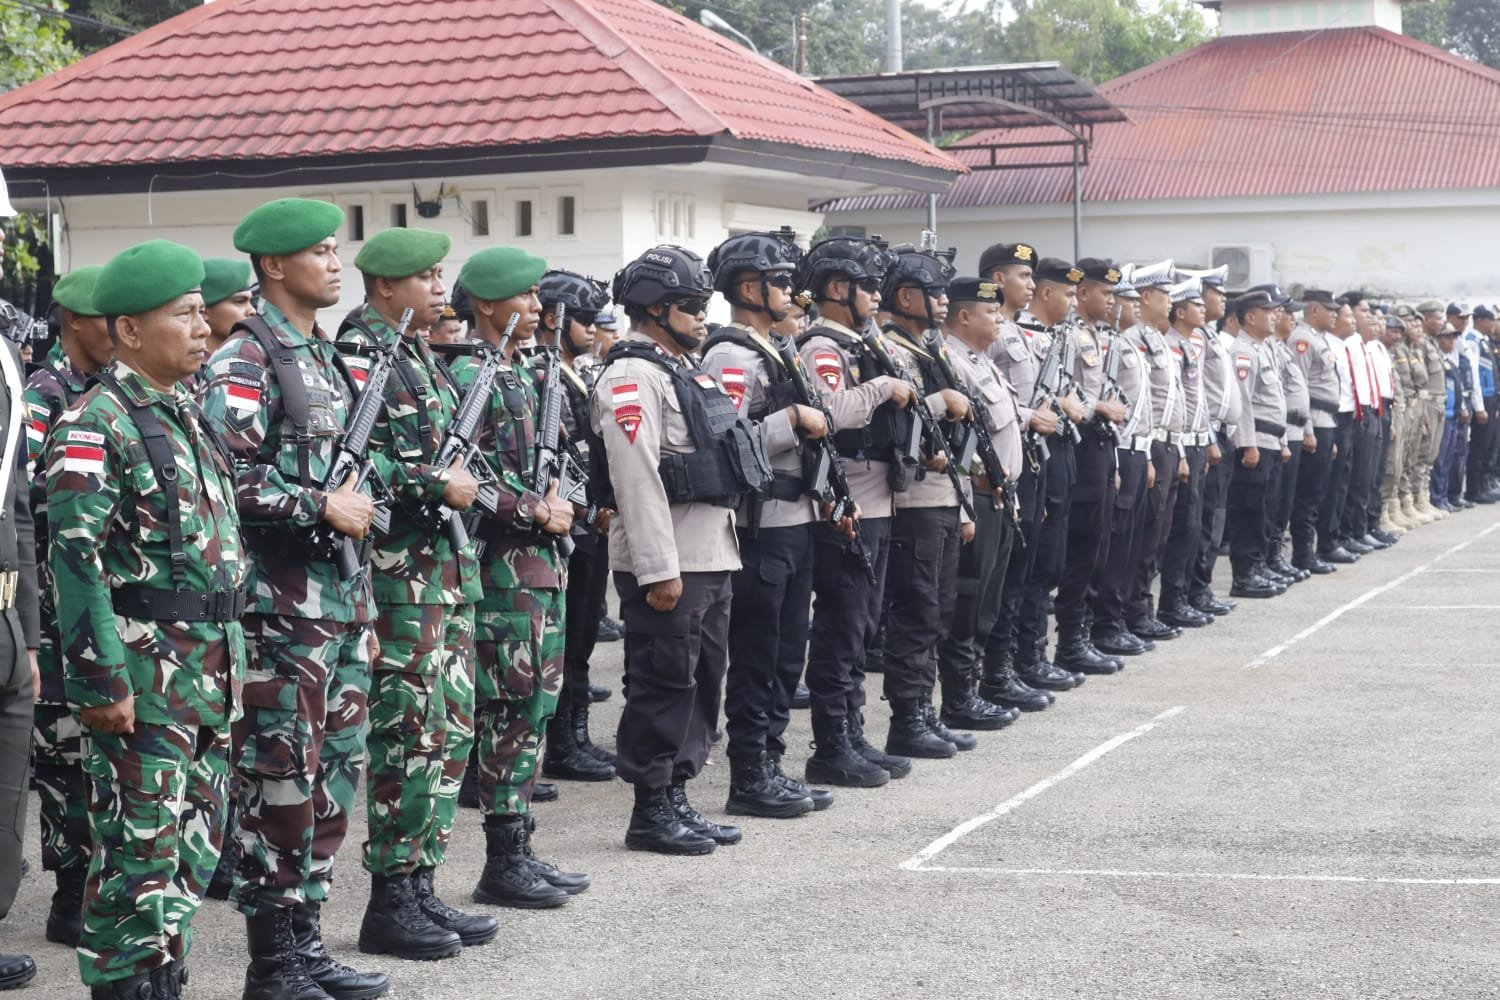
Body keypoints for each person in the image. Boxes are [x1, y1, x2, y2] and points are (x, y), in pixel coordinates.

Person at [200, 198, 391, 998]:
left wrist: (364, 600)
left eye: (335, 250)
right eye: (319, 252)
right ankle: (272, 961)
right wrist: (317, 504)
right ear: (274, 266)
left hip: (337, 606)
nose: (336, 263)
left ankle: (305, 941)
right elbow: (225, 480)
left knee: (333, 775)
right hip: (277, 616)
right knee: (278, 779)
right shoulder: (245, 360)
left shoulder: (325, 358)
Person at [48, 240, 244, 999]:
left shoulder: (184, 411)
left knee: (189, 853)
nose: (203, 327)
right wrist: (101, 680)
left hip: (207, 674)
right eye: (184, 314)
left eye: (202, 311)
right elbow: (75, 560)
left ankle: (163, 979)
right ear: (129, 330)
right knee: (138, 861)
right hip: (144, 681)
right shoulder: (96, 424)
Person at [337, 227, 493, 960]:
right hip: (399, 580)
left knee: (447, 732)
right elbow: (352, 464)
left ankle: (422, 882)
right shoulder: (360, 353)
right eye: (426, 276)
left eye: (440, 274)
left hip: (442, 575)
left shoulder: (418, 353)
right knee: (407, 734)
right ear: (385, 286)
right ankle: (390, 898)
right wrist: (436, 482)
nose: (440, 287)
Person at [589, 245, 770, 855]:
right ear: (654, 308)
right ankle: (650, 809)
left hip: (711, 553)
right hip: (671, 562)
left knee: (702, 681)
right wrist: (657, 570)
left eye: (702, 305)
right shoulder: (631, 376)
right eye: (690, 305)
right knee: (662, 683)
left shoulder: (682, 369)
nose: (701, 316)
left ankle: (677, 796)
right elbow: (635, 478)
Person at [448, 247, 589, 909]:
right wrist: (533, 509)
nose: (537, 308)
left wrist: (564, 501)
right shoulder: (467, 374)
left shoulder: (529, 370)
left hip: (541, 563)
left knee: (534, 707)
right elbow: (459, 476)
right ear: (485, 304)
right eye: (525, 296)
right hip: (499, 567)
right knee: (509, 705)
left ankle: (518, 849)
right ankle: (501, 863)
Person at [702, 230, 838, 817]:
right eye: (780, 281)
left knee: (786, 652)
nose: (791, 290)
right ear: (747, 288)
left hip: (796, 516)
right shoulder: (731, 357)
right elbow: (724, 445)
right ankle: (749, 775)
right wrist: (790, 420)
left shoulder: (775, 347)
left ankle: (772, 763)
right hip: (763, 524)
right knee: (759, 652)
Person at [793, 236, 921, 781]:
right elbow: (827, 412)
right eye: (867, 285)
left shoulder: (862, 342)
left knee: (863, 626)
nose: (876, 295)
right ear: (837, 288)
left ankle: (852, 732)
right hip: (847, 504)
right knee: (842, 627)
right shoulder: (823, 347)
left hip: (877, 499)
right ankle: (830, 746)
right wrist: (881, 388)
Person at [878, 245, 1002, 750]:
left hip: (945, 497)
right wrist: (938, 402)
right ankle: (907, 720)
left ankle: (924, 712)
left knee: (938, 612)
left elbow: (960, 436)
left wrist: (965, 503)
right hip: (914, 502)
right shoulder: (891, 349)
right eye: (934, 292)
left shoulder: (930, 349)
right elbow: (893, 424)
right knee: (916, 612)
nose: (944, 302)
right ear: (906, 297)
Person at [24, 266, 111, 951]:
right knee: (62, 756)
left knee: (96, 750)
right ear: (74, 321)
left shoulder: (108, 390)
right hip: (54, 606)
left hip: (98, 599)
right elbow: (20, 497)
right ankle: (69, 892)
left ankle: (95, 881)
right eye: (107, 319)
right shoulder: (44, 395)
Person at [937, 278, 1040, 714]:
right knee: (969, 598)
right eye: (990, 312)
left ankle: (976, 688)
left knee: (988, 602)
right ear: (964, 316)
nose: (1000, 319)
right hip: (976, 497)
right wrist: (965, 504)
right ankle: (959, 697)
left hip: (1000, 496)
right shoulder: (951, 364)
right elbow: (956, 444)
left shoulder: (983, 363)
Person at [534, 270, 617, 784]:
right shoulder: (545, 374)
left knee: (583, 635)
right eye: (584, 320)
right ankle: (563, 743)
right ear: (554, 320)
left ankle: (578, 735)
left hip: (592, 519)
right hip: (572, 521)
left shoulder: (576, 370)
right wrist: (589, 506)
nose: (593, 329)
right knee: (566, 639)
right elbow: (563, 452)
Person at [980, 243, 1076, 691]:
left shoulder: (1021, 333)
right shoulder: (991, 332)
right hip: (1005, 461)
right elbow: (983, 395)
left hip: (1035, 459)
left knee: (1037, 565)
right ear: (998, 279)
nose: (1032, 285)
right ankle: (999, 669)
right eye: (1023, 276)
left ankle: (1027, 656)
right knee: (1010, 570)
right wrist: (1028, 416)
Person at [1042, 258, 1126, 673]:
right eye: (1105, 293)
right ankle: (1070, 641)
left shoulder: (1098, 335)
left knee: (1098, 546)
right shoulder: (1067, 334)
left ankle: (1083, 634)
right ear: (1085, 292)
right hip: (1079, 443)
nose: (1112, 301)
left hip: (1102, 446)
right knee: (1080, 547)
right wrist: (1098, 407)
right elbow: (1060, 390)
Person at [0, 204, 39, 994]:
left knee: (4, 807)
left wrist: (28, 635)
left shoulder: (4, 351)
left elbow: (20, 504)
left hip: (5, 619)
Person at [1091, 264, 1157, 657]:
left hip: (1136, 450)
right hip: (1116, 448)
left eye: (1132, 299)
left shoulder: (1126, 343)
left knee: (1131, 543)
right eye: (1124, 299)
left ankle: (1116, 620)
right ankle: (1105, 624)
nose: (1130, 306)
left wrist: (1145, 456)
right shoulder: (1105, 344)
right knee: (1113, 545)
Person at [1124, 260, 1189, 641]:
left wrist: (1179, 450)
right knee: (1146, 533)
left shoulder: (1159, 339)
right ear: (1145, 297)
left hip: (1168, 444)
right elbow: (1142, 401)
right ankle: (1136, 611)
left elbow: (1172, 400)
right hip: (1150, 445)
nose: (1170, 301)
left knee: (1160, 533)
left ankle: (1143, 608)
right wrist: (1149, 453)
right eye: (1164, 294)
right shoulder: (1134, 339)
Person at [1157, 277, 1217, 627]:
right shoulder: (1171, 346)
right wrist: (1181, 449)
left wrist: (1207, 439)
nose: (1203, 309)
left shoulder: (1189, 345)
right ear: (1180, 312)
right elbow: (1173, 404)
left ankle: (1185, 596)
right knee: (1181, 527)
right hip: (1181, 444)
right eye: (1196, 305)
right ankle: (1172, 601)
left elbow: (1197, 402)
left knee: (1194, 525)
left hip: (1196, 442)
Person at [1225, 290, 1289, 598]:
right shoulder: (1243, 351)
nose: (1275, 316)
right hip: (1256, 442)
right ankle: (1245, 574)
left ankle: (1259, 564)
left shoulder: (1262, 349)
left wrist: (1283, 441)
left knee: (1267, 507)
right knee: (1249, 510)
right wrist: (1247, 444)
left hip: (1271, 440)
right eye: (1268, 312)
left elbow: (1277, 401)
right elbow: (1244, 403)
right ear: (1250, 317)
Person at [1182, 265, 1239, 617]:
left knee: (1215, 515)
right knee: (1204, 517)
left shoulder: (1211, 335)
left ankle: (1201, 587)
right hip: (1208, 433)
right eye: (1216, 293)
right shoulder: (1198, 339)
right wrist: (1208, 436)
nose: (1222, 299)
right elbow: (1196, 392)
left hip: (1221, 432)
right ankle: (1196, 589)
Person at [1463, 305, 1499, 503]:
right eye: (1490, 320)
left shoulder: (1483, 341)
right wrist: (1479, 406)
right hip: (1482, 397)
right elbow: (1474, 375)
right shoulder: (1472, 341)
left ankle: (1484, 484)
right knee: (1479, 445)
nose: (1493, 324)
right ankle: (1474, 489)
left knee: (1489, 444)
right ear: (1480, 321)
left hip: (1491, 396)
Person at [201, 257, 256, 358]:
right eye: (240, 301)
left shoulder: (257, 358)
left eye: (250, 302)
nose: (252, 311)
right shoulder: (186, 365)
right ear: (204, 311)